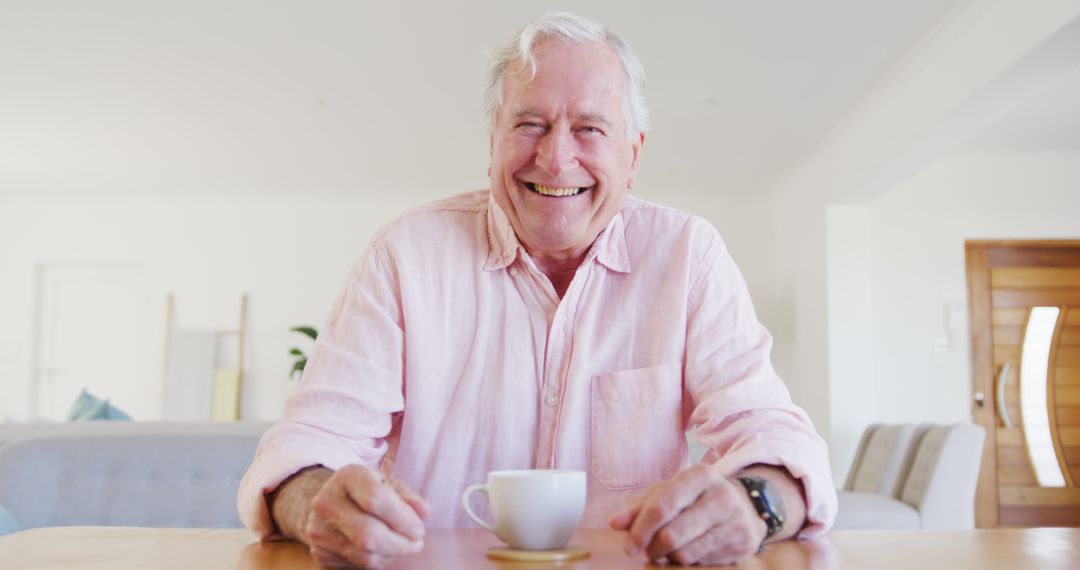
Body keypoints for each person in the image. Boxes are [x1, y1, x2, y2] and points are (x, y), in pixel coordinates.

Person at [238, 12, 837, 568]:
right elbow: (305, 445)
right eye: (529, 124)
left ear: (633, 155)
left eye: (589, 128)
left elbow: (777, 436)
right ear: (493, 143)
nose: (555, 158)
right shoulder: (406, 253)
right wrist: (317, 499)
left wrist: (754, 504)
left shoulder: (688, 255)